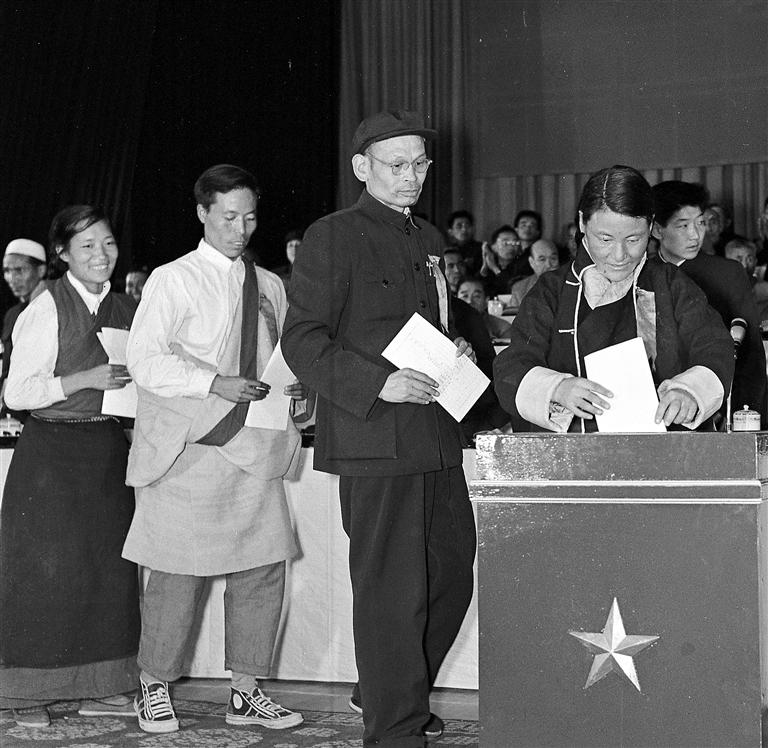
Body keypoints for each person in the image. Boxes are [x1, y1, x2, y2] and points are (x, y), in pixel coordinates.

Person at [281, 110, 477, 747]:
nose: (411, 176)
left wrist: (455, 347)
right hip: (375, 437)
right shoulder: (333, 235)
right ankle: (394, 730)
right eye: (397, 164)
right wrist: (377, 383)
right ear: (362, 167)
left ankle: (389, 691)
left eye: (420, 164)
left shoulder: (428, 238)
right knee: (392, 590)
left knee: (452, 576)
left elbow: (425, 324)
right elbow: (302, 339)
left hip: (436, 435)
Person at [123, 164, 306, 734]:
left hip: (254, 447)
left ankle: (246, 693)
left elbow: (282, 362)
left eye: (249, 217)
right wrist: (213, 383)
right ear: (202, 213)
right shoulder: (172, 279)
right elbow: (144, 361)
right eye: (228, 217)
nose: (240, 229)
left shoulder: (269, 284)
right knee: (177, 574)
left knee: (261, 570)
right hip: (191, 446)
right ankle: (153, 686)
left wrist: (299, 391)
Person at [0, 206, 140, 727]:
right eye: (87, 246)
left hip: (106, 451)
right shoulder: (45, 307)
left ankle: (99, 687)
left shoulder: (127, 306)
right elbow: (17, 393)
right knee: (44, 574)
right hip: (51, 457)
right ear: (61, 254)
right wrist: (84, 379)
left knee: (105, 572)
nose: (101, 255)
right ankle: (25, 695)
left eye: (108, 243)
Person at [494, 165, 734, 433]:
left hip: (660, 447)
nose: (620, 256)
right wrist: (557, 388)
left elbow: (714, 346)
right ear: (583, 223)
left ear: (651, 226)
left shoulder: (670, 284)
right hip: (571, 449)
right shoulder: (552, 290)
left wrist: (689, 391)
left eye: (633, 239)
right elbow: (513, 364)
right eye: (605, 239)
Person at [652, 181, 768, 427]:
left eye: (701, 223)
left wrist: (742, 414)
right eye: (683, 225)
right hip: (657, 409)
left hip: (717, 409)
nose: (695, 235)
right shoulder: (645, 273)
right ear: (657, 230)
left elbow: (751, 354)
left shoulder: (727, 273)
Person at [1, 239, 48, 413]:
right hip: (13, 408)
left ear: (41, 270)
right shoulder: (12, 314)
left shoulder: (53, 309)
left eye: (19, 270)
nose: (12, 278)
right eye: (7, 271)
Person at [507, 238, 560, 310]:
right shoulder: (520, 289)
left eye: (553, 258)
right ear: (532, 262)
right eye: (542, 259)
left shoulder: (572, 285)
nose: (548, 265)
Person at [479, 224, 529, 297]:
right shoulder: (487, 267)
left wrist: (495, 269)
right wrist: (485, 266)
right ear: (493, 247)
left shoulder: (524, 266)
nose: (511, 247)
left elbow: (514, 289)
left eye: (515, 242)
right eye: (505, 243)